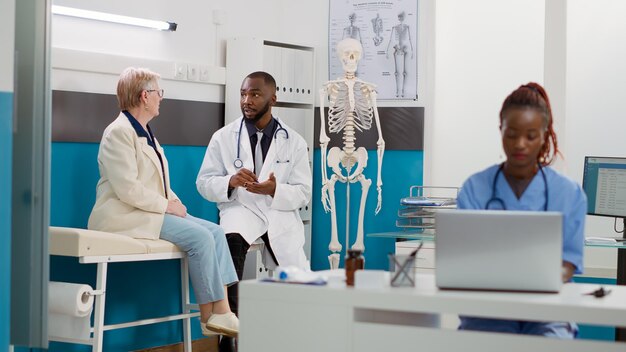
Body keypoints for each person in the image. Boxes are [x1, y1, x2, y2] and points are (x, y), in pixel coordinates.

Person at [87, 67, 239, 338]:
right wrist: (168, 206)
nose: (162, 98)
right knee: (200, 238)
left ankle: (223, 311)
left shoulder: (146, 133)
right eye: (159, 92)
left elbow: (161, 184)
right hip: (125, 214)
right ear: (145, 96)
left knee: (215, 232)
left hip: (149, 210)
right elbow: (128, 189)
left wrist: (178, 205)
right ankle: (209, 316)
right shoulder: (118, 133)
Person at [456, 82, 586, 338]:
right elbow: (462, 261)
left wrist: (523, 282)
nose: (520, 144)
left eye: (530, 135)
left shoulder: (569, 194)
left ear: (544, 135)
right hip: (487, 314)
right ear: (500, 131)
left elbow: (568, 264)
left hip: (547, 315)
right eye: (512, 134)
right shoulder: (474, 188)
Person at [196, 71, 312, 350]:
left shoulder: (293, 141)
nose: (247, 100)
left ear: (273, 98)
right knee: (231, 241)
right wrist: (230, 181)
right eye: (243, 94)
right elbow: (204, 183)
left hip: (279, 214)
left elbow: (304, 191)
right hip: (241, 207)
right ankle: (229, 328)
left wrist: (274, 189)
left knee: (298, 285)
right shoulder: (223, 137)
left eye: (255, 94)